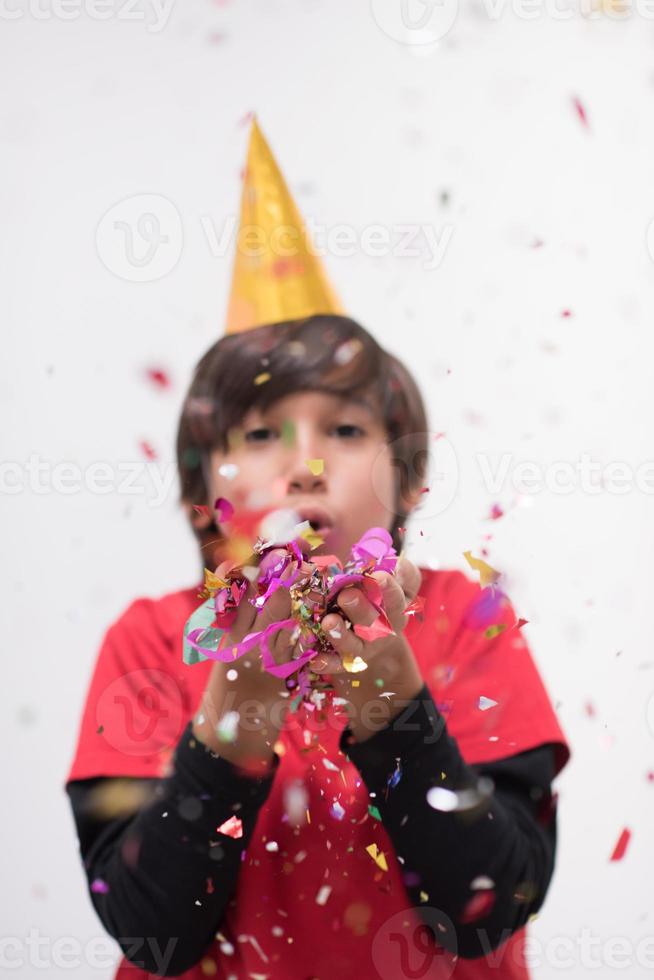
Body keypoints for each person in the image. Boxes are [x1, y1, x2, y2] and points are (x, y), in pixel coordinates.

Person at [64, 120, 570, 980]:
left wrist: (394, 707)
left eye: (344, 428)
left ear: (409, 481)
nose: (304, 465)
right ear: (201, 495)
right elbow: (153, 930)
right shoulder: (150, 641)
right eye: (260, 432)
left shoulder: (469, 623)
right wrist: (234, 715)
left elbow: (487, 911)